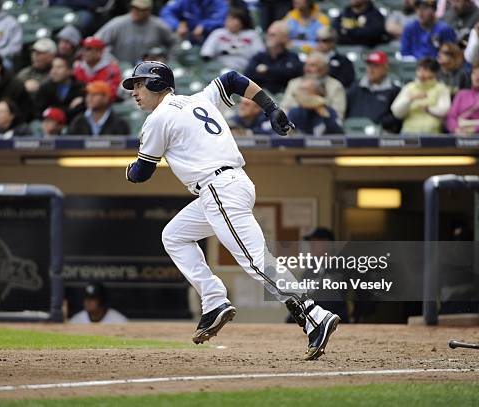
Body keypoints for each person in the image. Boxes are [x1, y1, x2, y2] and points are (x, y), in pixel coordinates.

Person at [122, 60, 339, 360]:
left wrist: (128, 170)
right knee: (174, 235)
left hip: (218, 189)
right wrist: (270, 106)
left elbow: (142, 173)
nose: (134, 92)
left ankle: (314, 315)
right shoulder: (199, 98)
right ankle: (214, 301)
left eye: (139, 84)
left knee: (255, 260)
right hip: (227, 187)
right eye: (133, 86)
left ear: (158, 84)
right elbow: (234, 79)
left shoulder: (158, 118)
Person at [94, 0, 176, 65]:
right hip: (122, 66)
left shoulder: (158, 25)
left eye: (141, 9)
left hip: (148, 67)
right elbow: (96, 41)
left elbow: (175, 42)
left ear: (149, 11)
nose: (137, 11)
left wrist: (167, 59)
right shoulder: (118, 23)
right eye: (135, 8)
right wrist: (108, 59)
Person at [391, 57, 451, 133]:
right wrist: (410, 99)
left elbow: (445, 111)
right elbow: (396, 112)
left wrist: (428, 109)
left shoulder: (441, 88)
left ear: (434, 73)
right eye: (419, 69)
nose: (421, 73)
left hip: (432, 132)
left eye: (426, 70)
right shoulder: (409, 87)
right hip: (408, 131)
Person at [346, 51, 402, 133]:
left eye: (375, 66)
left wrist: (379, 124)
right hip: (353, 132)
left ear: (385, 68)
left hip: (382, 135)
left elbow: (396, 117)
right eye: (369, 65)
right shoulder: (355, 88)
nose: (371, 69)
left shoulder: (394, 91)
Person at [281, 51, 347, 120]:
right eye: (306, 65)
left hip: (324, 126)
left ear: (324, 69)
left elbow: (338, 115)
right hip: (295, 126)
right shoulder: (294, 83)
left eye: (312, 65)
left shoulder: (335, 86)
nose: (307, 69)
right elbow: (284, 109)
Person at [243, 20, 303, 94]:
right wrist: (277, 74)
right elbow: (248, 74)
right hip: (260, 97)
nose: (268, 37)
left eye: (273, 35)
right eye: (268, 34)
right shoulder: (259, 56)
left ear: (284, 38)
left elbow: (293, 73)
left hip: (283, 96)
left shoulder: (292, 57)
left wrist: (267, 70)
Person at [200, 7, 265, 72]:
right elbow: (206, 52)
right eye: (228, 19)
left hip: (244, 69)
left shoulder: (252, 35)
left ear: (242, 21)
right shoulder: (218, 33)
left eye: (234, 19)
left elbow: (260, 54)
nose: (230, 22)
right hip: (220, 68)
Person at [34, 55, 86, 121]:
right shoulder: (45, 88)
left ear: (70, 70)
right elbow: (39, 112)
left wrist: (52, 110)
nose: (54, 71)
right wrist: (69, 109)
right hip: (47, 123)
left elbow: (79, 112)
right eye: (53, 67)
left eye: (59, 67)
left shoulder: (80, 88)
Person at [159, 0, 229, 45]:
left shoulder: (219, 2)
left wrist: (204, 25)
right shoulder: (185, 2)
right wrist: (177, 26)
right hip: (190, 40)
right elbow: (166, 12)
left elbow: (223, 19)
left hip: (214, 41)